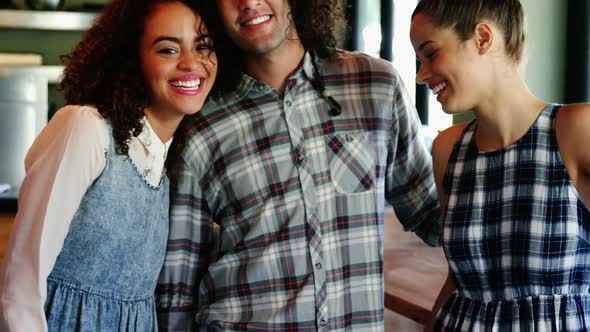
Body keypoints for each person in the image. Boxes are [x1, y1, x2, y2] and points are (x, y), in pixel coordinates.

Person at [155, 0, 442, 330]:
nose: (248, 2)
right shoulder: (201, 126)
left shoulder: (376, 86)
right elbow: (176, 293)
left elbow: (432, 217)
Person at [0, 0, 217, 330]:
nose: (191, 63)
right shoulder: (86, 129)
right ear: (132, 61)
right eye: (168, 50)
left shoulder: (167, 159)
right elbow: (21, 283)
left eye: (203, 47)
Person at [410, 0, 590, 330]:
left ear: (482, 37)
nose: (422, 75)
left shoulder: (576, 130)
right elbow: (459, 280)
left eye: (431, 53)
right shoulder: (448, 150)